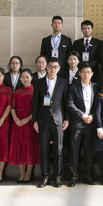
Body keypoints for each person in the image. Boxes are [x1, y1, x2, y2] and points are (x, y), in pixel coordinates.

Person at [32, 57, 70, 188]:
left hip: (58, 120)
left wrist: (67, 119)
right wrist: (35, 120)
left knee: (58, 150)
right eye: (50, 66)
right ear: (46, 67)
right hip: (43, 120)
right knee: (43, 150)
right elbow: (35, 103)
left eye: (55, 67)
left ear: (59, 68)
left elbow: (66, 102)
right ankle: (45, 177)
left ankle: (58, 178)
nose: (52, 69)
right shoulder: (38, 82)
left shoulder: (63, 82)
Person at [66, 62, 99, 186]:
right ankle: (73, 177)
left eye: (88, 72)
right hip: (77, 123)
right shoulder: (73, 87)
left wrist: (93, 116)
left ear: (92, 74)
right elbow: (69, 103)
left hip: (90, 123)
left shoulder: (96, 87)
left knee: (88, 152)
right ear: (79, 73)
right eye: (83, 72)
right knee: (74, 151)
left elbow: (98, 104)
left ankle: (87, 176)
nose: (86, 74)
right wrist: (82, 115)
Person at [8, 68, 39, 184]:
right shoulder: (16, 92)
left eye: (27, 77)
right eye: (23, 77)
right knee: (19, 147)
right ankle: (21, 174)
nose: (25, 79)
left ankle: (28, 173)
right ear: (20, 79)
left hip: (30, 122)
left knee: (29, 147)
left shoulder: (36, 90)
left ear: (31, 78)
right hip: (18, 122)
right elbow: (12, 107)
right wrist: (16, 119)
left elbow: (38, 109)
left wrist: (26, 119)